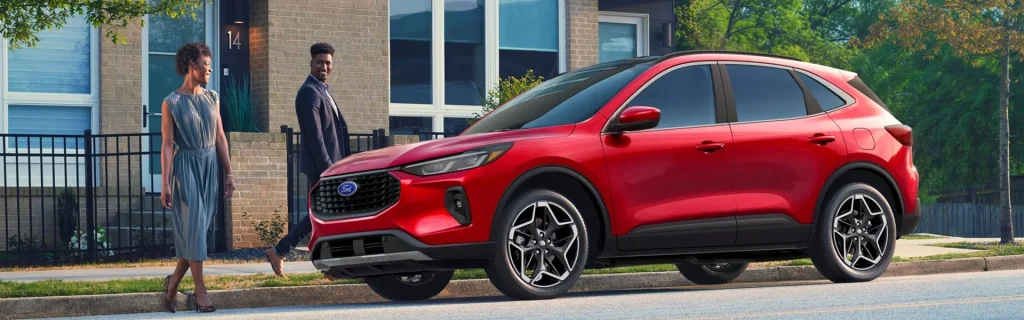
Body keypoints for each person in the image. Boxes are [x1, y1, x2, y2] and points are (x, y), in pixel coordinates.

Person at [160, 41, 235, 313]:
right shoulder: (172, 102)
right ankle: (200, 292)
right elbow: (167, 145)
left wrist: (228, 173)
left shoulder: (212, 97)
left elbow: (220, 137)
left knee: (198, 233)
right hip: (186, 168)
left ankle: (173, 284)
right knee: (194, 229)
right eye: (206, 64)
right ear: (192, 66)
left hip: (209, 166)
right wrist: (165, 182)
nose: (210, 69)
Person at [265, 42, 351, 278]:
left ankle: (286, 253)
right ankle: (289, 254)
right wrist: (328, 169)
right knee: (324, 215)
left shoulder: (323, 90)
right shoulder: (308, 93)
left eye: (328, 63)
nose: (324, 66)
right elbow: (315, 138)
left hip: (333, 165)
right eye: (320, 62)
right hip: (321, 166)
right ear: (311, 63)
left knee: (324, 215)